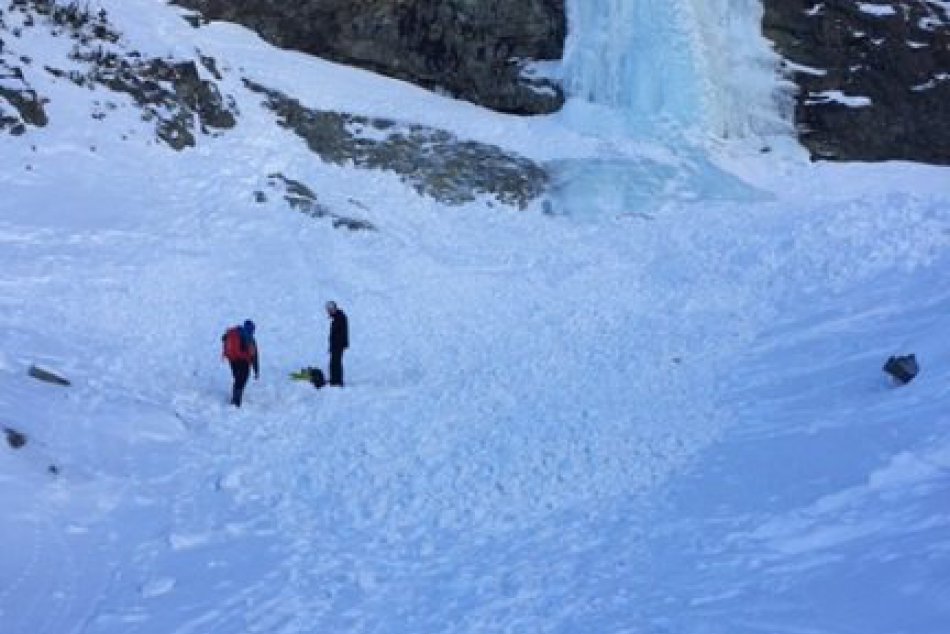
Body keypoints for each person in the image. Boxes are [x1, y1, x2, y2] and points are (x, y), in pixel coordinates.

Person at [221, 319, 259, 407]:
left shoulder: (234, 332)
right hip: (243, 360)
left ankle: (235, 397)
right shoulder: (250, 339)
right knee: (242, 379)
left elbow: (223, 338)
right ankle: (236, 401)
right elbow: (254, 356)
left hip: (232, 359)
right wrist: (256, 371)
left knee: (237, 378)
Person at [325, 301, 348, 386]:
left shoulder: (340, 317)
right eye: (328, 310)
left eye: (330, 310)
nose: (328, 312)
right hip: (336, 345)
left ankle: (337, 381)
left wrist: (337, 344)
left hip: (338, 345)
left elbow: (340, 333)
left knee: (335, 363)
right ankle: (334, 380)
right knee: (334, 362)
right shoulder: (337, 317)